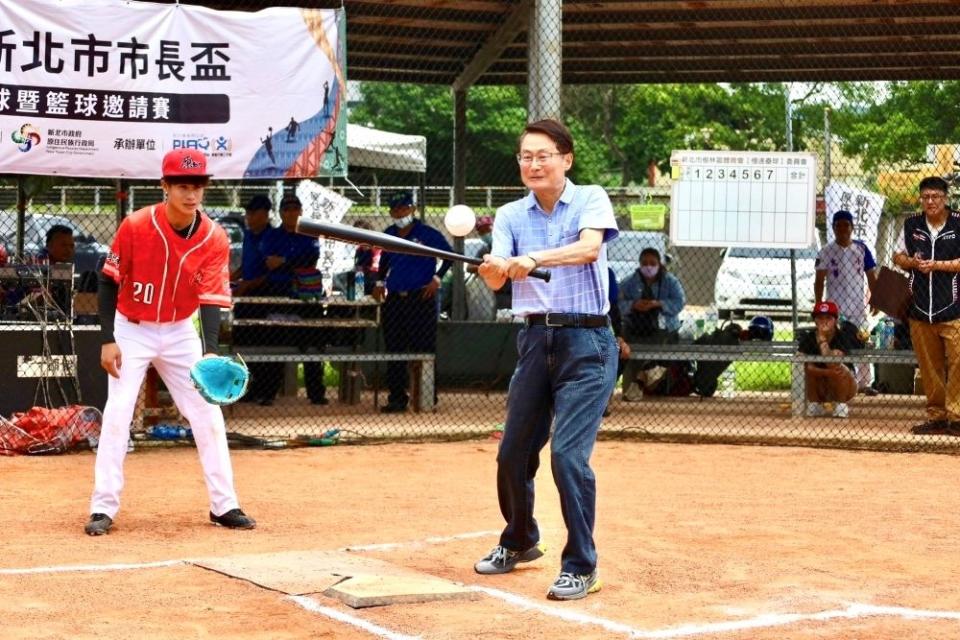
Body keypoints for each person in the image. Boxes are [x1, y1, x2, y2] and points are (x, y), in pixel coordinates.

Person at [475, 119, 618, 601]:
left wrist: (532, 260)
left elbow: (587, 249)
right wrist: (495, 269)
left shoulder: (591, 198)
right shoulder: (511, 215)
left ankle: (582, 564)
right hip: (536, 341)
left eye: (543, 155)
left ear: (566, 159)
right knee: (513, 452)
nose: (533, 164)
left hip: (589, 345)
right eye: (525, 157)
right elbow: (497, 281)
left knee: (566, 456)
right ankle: (519, 539)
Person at [85, 148, 255, 536]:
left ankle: (224, 504)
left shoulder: (214, 238)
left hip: (180, 331)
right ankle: (102, 506)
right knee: (118, 412)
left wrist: (209, 349)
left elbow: (212, 298)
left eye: (197, 185)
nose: (191, 193)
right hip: (133, 327)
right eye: (182, 185)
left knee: (207, 414)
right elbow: (107, 281)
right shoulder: (136, 225)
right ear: (165, 186)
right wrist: (108, 338)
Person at [373, 192, 452, 413]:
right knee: (395, 348)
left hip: (421, 298)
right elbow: (384, 261)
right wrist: (380, 281)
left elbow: (449, 255)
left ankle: (427, 395)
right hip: (396, 298)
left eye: (403, 208)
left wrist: (437, 278)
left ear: (413, 209)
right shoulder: (389, 234)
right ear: (390, 212)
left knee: (424, 347)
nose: (399, 213)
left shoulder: (427, 234)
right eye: (395, 209)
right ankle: (397, 398)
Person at [893, 176, 960, 436]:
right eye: (926, 197)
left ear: (945, 198)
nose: (930, 201)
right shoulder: (912, 224)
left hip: (953, 308)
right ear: (921, 199)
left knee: (958, 362)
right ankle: (937, 417)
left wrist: (937, 265)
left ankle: (956, 417)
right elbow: (897, 256)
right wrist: (911, 263)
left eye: (936, 196)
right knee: (929, 366)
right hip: (920, 308)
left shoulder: (957, 222)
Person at [259, 194, 327, 406]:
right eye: (286, 209)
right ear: (280, 213)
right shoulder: (272, 235)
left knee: (312, 342)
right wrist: (292, 261)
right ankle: (268, 392)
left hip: (305, 293)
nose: (291, 212)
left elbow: (311, 259)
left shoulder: (309, 234)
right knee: (273, 342)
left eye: (295, 208)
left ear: (301, 211)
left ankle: (316, 393)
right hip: (278, 290)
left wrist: (285, 260)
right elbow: (269, 262)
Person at [815, 209, 879, 395]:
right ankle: (840, 381)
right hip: (834, 308)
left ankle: (865, 383)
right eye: (838, 225)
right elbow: (819, 281)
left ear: (852, 228)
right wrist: (819, 306)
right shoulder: (826, 251)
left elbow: (871, 276)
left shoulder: (861, 249)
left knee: (862, 342)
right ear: (833, 228)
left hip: (858, 306)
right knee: (836, 344)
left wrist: (875, 297)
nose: (842, 229)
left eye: (846, 225)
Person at [231, 194, 284, 405]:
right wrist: (231, 278)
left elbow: (273, 271)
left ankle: (268, 391)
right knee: (244, 342)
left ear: (264, 214)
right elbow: (246, 265)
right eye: (248, 212)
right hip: (246, 295)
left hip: (266, 294)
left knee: (267, 343)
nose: (249, 216)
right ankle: (250, 388)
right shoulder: (248, 235)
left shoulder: (273, 236)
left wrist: (249, 284)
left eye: (253, 213)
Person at [617, 247, 686, 401]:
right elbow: (617, 303)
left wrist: (658, 304)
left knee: (662, 348)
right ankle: (631, 388)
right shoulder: (630, 282)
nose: (648, 267)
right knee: (628, 347)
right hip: (636, 327)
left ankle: (647, 382)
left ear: (659, 264)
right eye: (645, 263)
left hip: (663, 328)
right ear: (640, 264)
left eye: (652, 263)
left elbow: (680, 302)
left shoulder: (670, 281)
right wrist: (633, 305)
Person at [798, 300, 860, 418]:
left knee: (838, 367)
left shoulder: (842, 336)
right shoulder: (809, 337)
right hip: (821, 385)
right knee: (805, 368)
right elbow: (804, 366)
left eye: (828, 318)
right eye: (820, 318)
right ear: (815, 320)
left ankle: (841, 405)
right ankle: (815, 404)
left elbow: (832, 362)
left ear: (835, 320)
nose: (824, 321)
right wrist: (828, 373)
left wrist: (822, 340)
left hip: (845, 386)